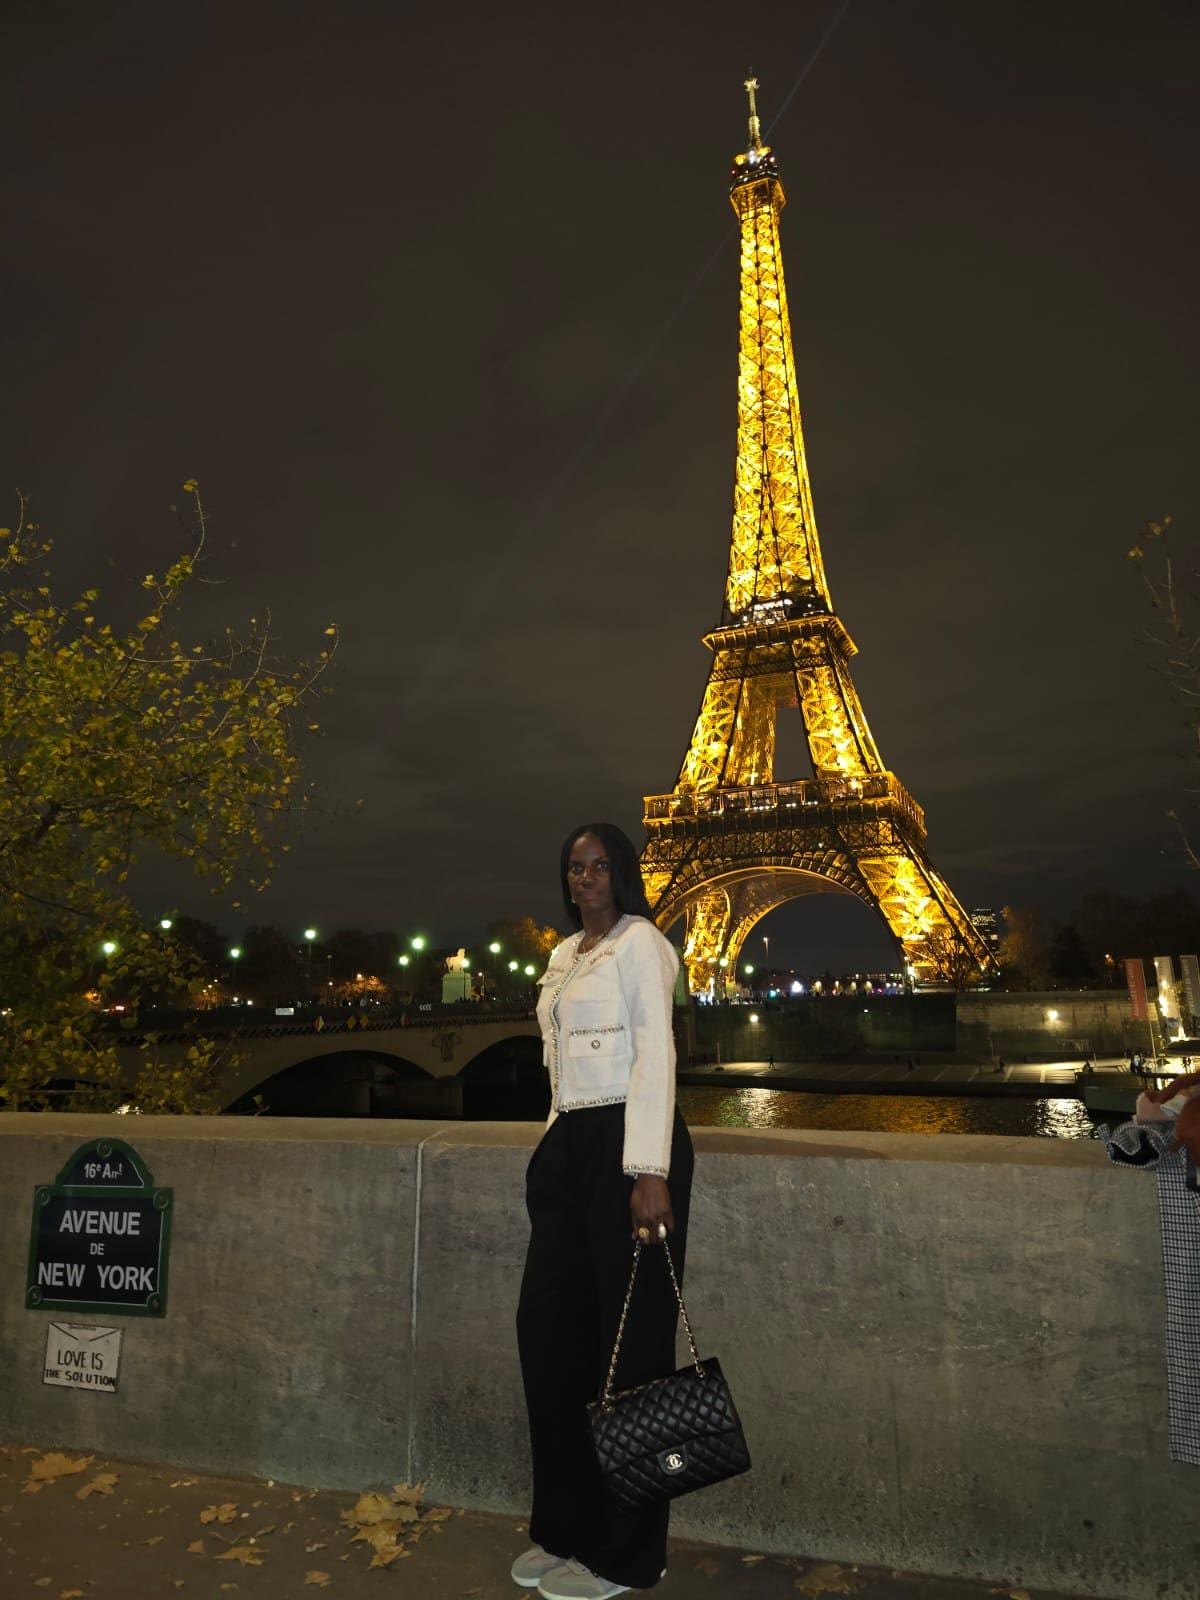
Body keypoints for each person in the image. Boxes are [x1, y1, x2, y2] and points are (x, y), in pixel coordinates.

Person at [513, 822, 693, 1600]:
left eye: (597, 865)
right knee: (550, 1339)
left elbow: (656, 1051)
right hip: (570, 1146)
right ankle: (568, 1529)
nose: (584, 877)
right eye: (573, 867)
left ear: (621, 872)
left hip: (629, 1147)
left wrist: (648, 1168)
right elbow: (559, 1065)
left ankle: (629, 1555)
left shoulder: (641, 943)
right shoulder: (564, 954)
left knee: (633, 1358)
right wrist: (551, 1152)